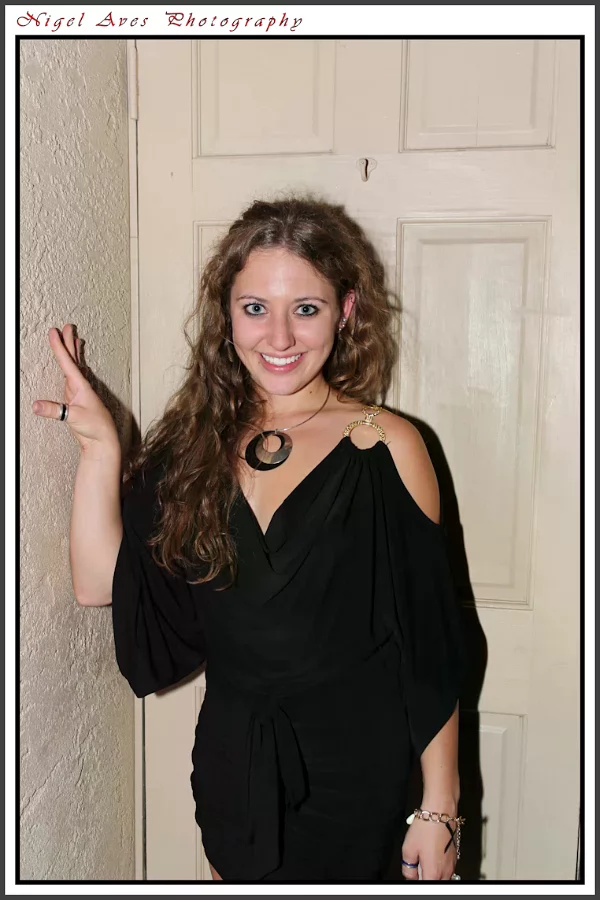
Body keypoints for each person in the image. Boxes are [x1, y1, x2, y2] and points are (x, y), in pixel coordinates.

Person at [32, 197, 465, 883]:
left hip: (360, 776)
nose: (280, 337)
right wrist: (100, 449)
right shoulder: (192, 449)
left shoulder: (389, 447)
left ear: (346, 312)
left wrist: (440, 808)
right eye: (256, 308)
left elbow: (431, 645)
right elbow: (97, 583)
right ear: (226, 316)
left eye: (307, 308)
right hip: (235, 770)